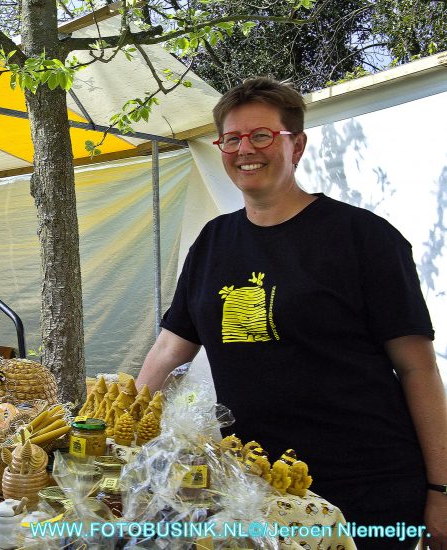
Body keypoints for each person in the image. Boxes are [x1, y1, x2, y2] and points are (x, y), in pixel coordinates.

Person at [136, 77, 447, 549]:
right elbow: (167, 349)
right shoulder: (213, 243)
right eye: (232, 138)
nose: (246, 149)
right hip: (254, 486)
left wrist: (441, 490)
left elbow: (417, 367)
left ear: (296, 144)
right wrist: (117, 432)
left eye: (262, 135)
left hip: (366, 489)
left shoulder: (363, 237)